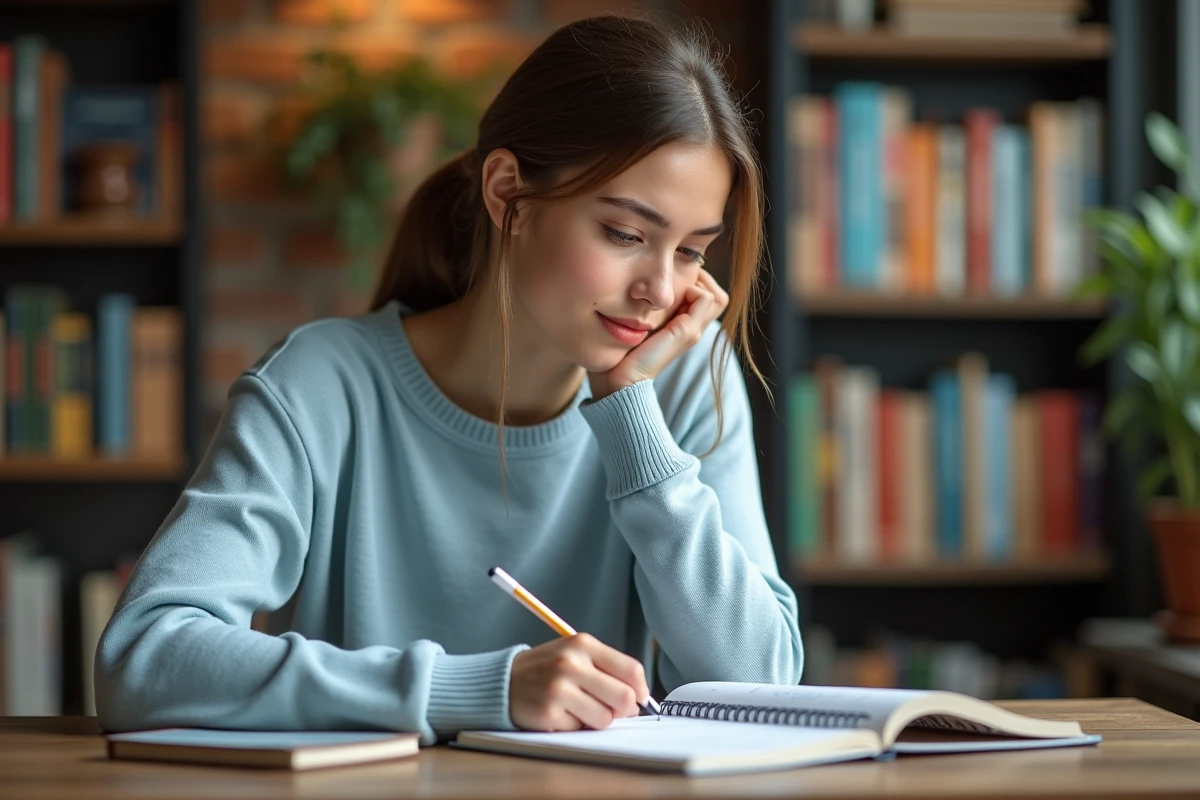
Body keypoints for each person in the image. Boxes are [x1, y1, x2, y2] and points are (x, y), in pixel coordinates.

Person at [95, 14, 803, 744]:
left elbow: (759, 684)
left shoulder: (682, 376)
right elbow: (145, 656)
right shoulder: (320, 385)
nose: (660, 289)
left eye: (691, 251)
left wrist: (630, 413)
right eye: (625, 234)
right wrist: (469, 690)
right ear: (508, 194)